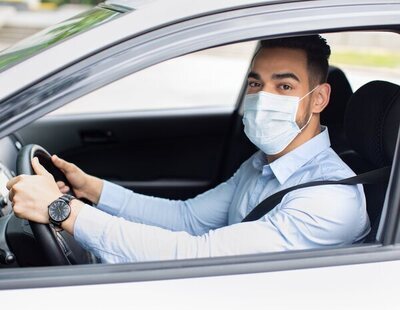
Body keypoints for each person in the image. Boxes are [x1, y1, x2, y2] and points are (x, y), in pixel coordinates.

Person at [7, 35, 370, 263]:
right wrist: (91, 189)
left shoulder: (329, 198)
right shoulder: (264, 163)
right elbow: (188, 219)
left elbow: (198, 255)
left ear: (319, 98)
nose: (263, 98)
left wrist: (61, 211)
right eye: (256, 83)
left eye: (285, 87)